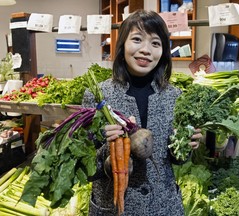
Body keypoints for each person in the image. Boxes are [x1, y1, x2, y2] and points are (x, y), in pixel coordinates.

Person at [82, 9, 202, 216]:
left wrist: (184, 145)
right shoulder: (98, 95)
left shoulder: (175, 96)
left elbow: (177, 160)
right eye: (137, 39)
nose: (146, 50)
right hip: (113, 207)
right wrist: (106, 149)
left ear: (163, 51)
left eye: (155, 43)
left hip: (163, 205)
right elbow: (84, 166)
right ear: (122, 46)